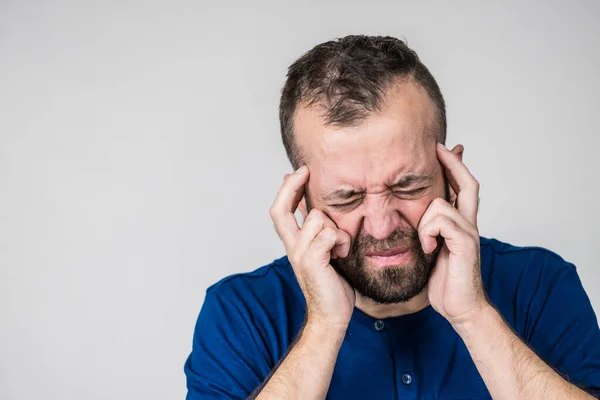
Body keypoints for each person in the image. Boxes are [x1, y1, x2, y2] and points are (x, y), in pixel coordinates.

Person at [184, 35, 600, 399]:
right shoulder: (241, 313)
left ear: (452, 178)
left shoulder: (540, 285)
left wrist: (473, 316)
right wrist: (324, 327)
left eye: (409, 187)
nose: (382, 227)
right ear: (301, 201)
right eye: (346, 198)